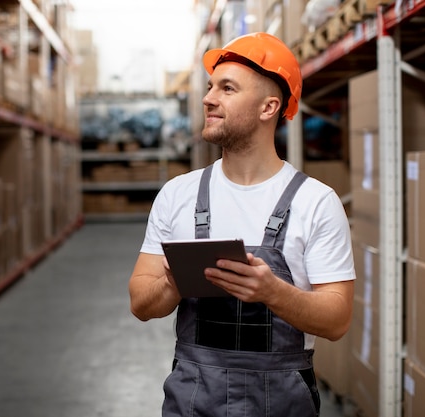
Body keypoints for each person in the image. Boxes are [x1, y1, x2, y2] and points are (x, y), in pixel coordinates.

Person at [128, 32, 355, 417]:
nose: (208, 98)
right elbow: (140, 303)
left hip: (282, 401)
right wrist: (171, 283)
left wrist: (272, 292)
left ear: (269, 108)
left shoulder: (315, 202)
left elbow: (337, 320)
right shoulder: (177, 194)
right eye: (211, 87)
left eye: (227, 88)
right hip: (192, 399)